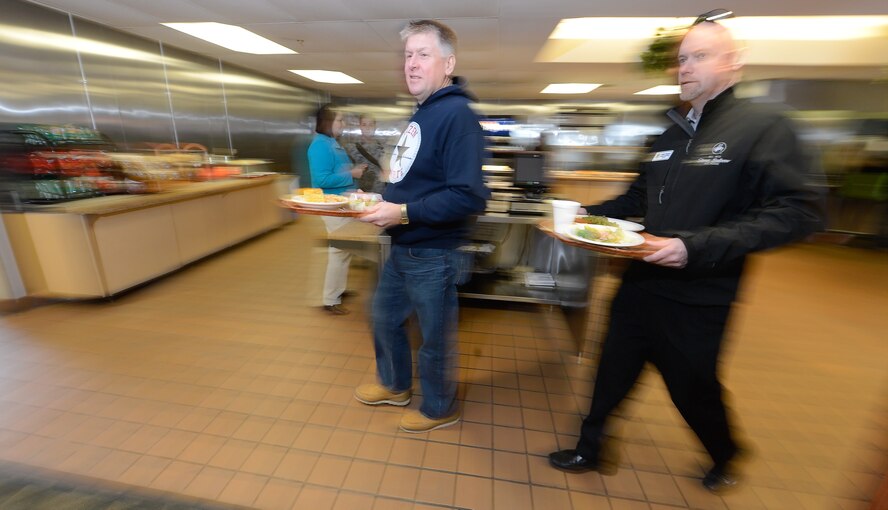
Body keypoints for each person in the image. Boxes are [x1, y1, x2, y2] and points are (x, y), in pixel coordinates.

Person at [547, 19, 824, 492]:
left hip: (700, 295)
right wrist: (582, 214)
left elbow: (799, 212)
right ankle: (589, 447)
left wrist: (694, 247)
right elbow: (638, 201)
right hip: (640, 285)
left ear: (733, 63)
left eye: (700, 56)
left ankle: (725, 453)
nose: (685, 67)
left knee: (693, 390)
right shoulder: (671, 129)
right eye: (681, 58)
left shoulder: (763, 127)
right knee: (610, 370)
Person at [353, 20, 489, 433]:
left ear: (448, 63)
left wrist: (404, 212)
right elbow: (417, 179)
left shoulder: (457, 116)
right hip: (403, 246)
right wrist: (386, 199)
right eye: (408, 55)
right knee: (384, 318)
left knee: (434, 339)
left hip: (433, 252)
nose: (411, 64)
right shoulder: (425, 113)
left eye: (423, 55)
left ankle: (439, 408)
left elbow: (469, 195)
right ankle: (395, 385)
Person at [307, 104, 366, 315]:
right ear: (327, 122)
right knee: (339, 250)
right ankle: (330, 299)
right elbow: (321, 179)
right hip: (330, 205)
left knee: (344, 250)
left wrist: (353, 184)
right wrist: (353, 175)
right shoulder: (320, 146)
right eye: (339, 120)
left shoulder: (331, 143)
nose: (342, 124)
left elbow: (337, 171)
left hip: (342, 201)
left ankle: (338, 291)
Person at [345, 114, 387, 194]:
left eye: (371, 124)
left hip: (379, 192)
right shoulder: (351, 148)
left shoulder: (383, 148)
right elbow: (345, 170)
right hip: (359, 192)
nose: (367, 128)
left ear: (375, 126)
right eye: (364, 124)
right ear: (360, 126)